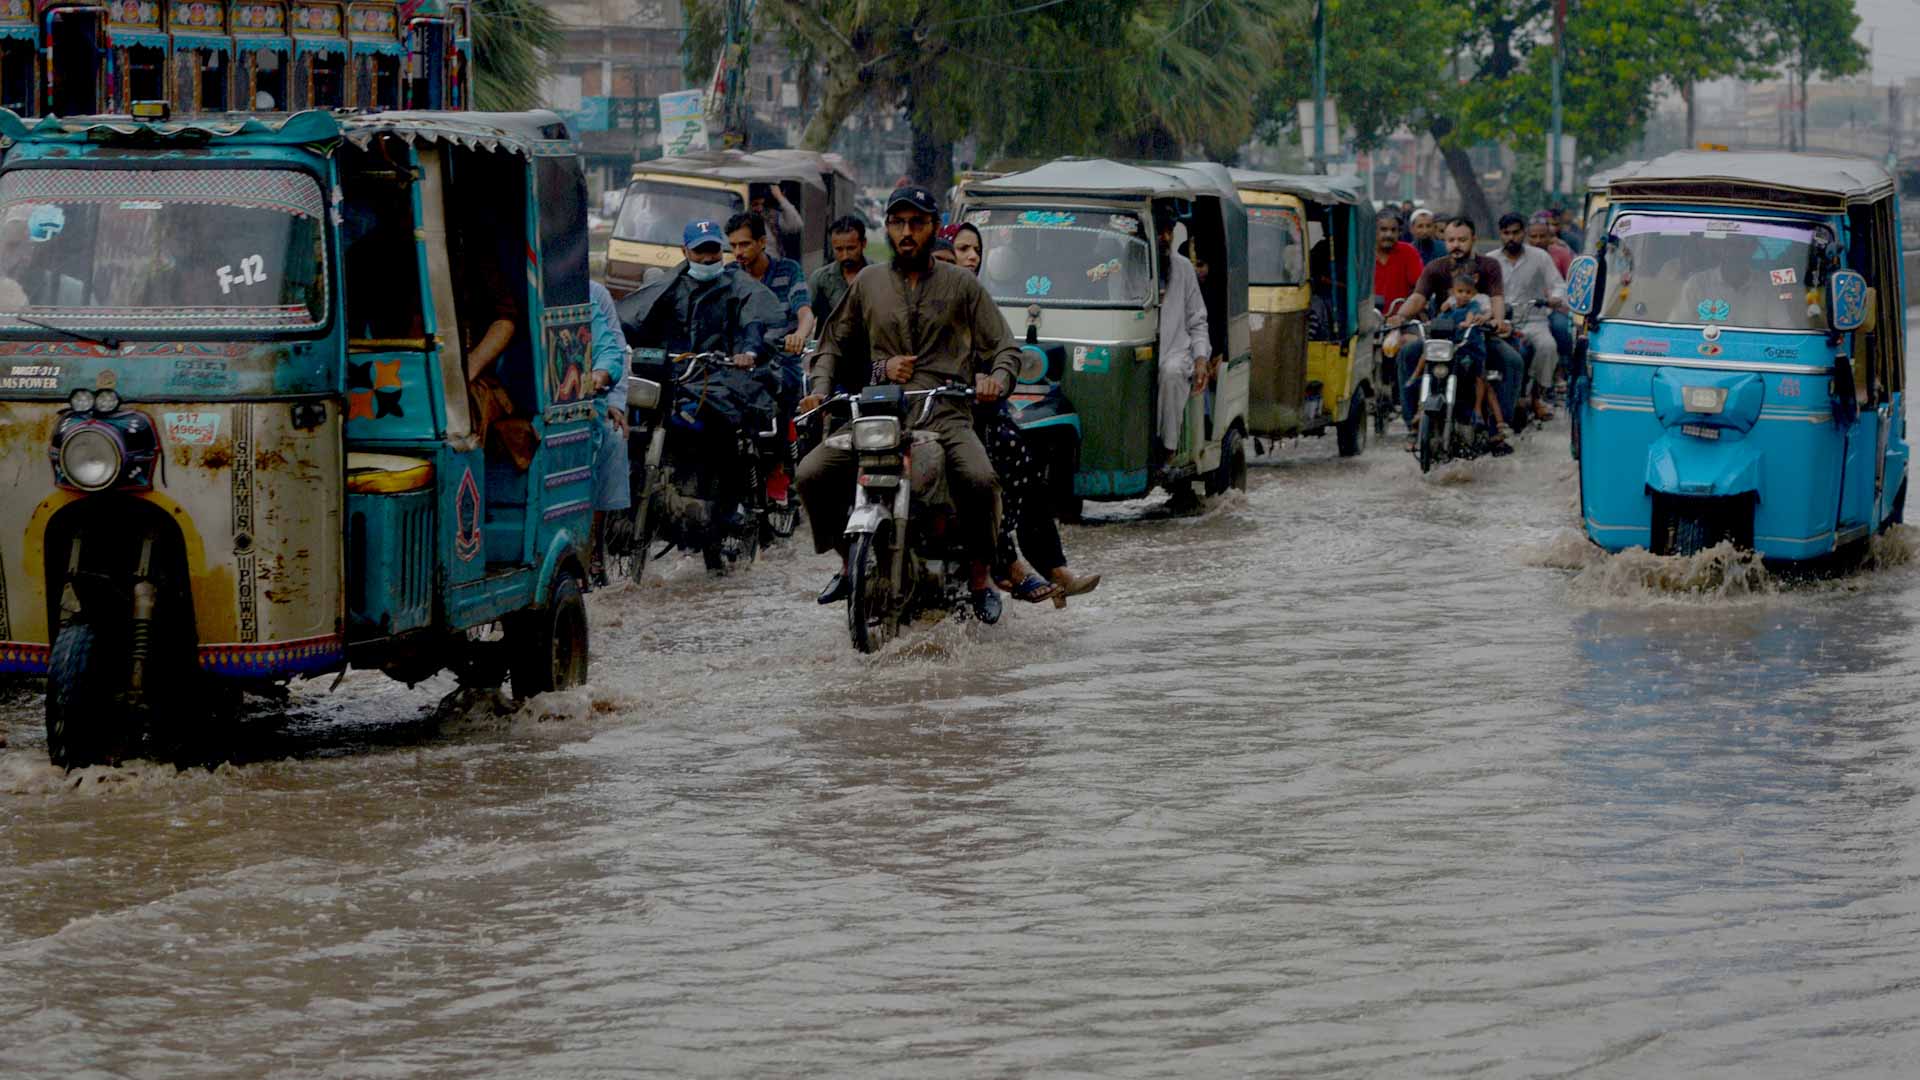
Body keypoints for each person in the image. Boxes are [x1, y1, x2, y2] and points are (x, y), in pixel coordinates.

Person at [796, 185, 1022, 623]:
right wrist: (819, 391)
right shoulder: (868, 282)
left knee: (981, 480)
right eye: (898, 223)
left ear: (933, 229)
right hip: (879, 413)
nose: (906, 232)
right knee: (810, 473)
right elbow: (831, 346)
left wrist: (997, 379)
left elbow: (1005, 348)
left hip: (946, 414)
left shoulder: (961, 285)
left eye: (916, 223)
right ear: (887, 229)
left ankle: (979, 577)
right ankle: (848, 561)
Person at [960, 227, 1102, 607]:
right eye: (961, 250)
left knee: (1021, 463)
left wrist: (996, 378)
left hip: (981, 410)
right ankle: (1009, 563)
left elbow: (1005, 352)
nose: (971, 257)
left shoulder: (980, 302)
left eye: (976, 249)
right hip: (931, 412)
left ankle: (1047, 567)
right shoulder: (911, 300)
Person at [621, 219, 787, 537]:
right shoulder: (670, 284)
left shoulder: (737, 285)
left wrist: (748, 352)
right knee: (637, 420)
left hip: (723, 374)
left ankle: (726, 509)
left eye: (713, 250)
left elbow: (753, 321)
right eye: (700, 252)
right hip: (678, 374)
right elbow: (641, 315)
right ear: (686, 252)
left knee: (722, 427)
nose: (708, 258)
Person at [1385, 216, 1524, 436]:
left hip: (1478, 335)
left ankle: (1500, 428)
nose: (1456, 245)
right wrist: (1400, 316)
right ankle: (1412, 424)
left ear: (1473, 239)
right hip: (1442, 337)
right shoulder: (1435, 267)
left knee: (1512, 360)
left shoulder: (1489, 266)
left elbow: (1497, 298)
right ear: (1444, 240)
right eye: (1451, 240)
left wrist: (1496, 320)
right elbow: (1418, 297)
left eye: (1462, 239)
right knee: (1408, 353)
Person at [727, 210, 812, 408]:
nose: (738, 252)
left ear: (762, 242)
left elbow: (805, 311)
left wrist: (798, 335)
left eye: (744, 244)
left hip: (780, 360)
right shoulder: (730, 275)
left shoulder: (788, 270)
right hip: (740, 363)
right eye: (733, 246)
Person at [1492, 211, 1569, 422]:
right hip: (1501, 321)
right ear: (1500, 234)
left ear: (1523, 233)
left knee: (1548, 347)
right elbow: (1480, 292)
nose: (1511, 238)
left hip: (1534, 319)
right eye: (1506, 233)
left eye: (1516, 233)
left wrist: (1555, 297)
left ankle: (1537, 396)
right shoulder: (1491, 260)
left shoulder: (1540, 257)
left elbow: (1558, 284)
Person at [1152, 204, 1212, 457]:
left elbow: (1198, 319)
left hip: (1175, 350)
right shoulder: (1125, 266)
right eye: (1159, 231)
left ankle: (1168, 448)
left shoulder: (1183, 267)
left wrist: (1200, 359)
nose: (1165, 237)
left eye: (1169, 231)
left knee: (1171, 371)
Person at [586, 280, 630, 586]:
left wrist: (612, 397)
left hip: (589, 398)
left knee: (611, 437)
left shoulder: (590, 296)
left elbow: (613, 352)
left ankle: (594, 551)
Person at [802, 216, 870, 342]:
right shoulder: (821, 278)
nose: (845, 256)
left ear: (863, 244)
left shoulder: (876, 275)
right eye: (839, 249)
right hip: (830, 351)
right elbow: (806, 313)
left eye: (851, 248)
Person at [1373, 209, 1424, 312]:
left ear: (1399, 232)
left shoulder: (1408, 252)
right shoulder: (1363, 255)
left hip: (1401, 318)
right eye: (1383, 229)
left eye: (1393, 230)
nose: (1389, 234)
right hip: (1368, 317)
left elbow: (1420, 286)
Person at [750, 183, 804, 261]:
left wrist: (780, 197)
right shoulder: (743, 222)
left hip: (774, 265)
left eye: (763, 205)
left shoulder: (771, 217)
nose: (760, 209)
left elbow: (796, 225)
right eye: (755, 205)